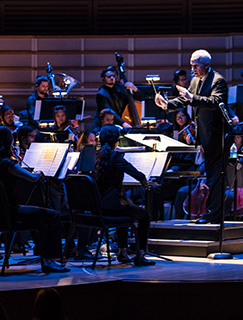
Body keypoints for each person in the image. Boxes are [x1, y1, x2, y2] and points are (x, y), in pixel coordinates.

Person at [155, 49, 227, 224]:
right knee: (211, 176)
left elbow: (215, 102)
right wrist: (167, 105)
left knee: (215, 178)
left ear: (207, 65)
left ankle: (213, 216)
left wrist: (192, 97)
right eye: (191, 66)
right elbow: (185, 100)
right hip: (204, 137)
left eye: (195, 66)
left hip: (217, 138)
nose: (192, 69)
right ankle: (210, 214)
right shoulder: (195, 80)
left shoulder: (218, 81)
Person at [0, 125, 70, 272]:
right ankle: (51, 260)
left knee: (42, 218)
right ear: (7, 141)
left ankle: (45, 257)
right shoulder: (7, 163)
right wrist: (39, 172)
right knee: (54, 215)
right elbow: (32, 178)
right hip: (11, 212)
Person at [94, 124, 154, 266]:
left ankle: (123, 252)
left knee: (126, 209)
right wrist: (145, 181)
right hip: (111, 207)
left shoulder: (98, 155)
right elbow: (136, 173)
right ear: (117, 140)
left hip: (99, 207)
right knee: (145, 215)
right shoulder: (114, 156)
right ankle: (140, 254)